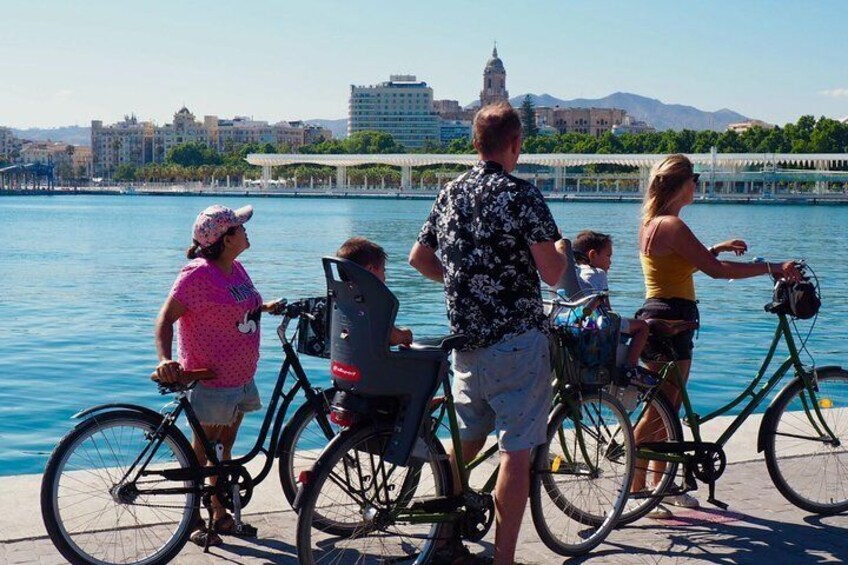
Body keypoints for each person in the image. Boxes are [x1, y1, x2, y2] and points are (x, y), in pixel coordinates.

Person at [409, 102, 567, 565]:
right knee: (515, 452)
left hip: (466, 342)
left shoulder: (450, 192)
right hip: (517, 341)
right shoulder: (522, 195)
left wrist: (462, 281)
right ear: (515, 144)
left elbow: (418, 258)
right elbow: (553, 274)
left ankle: (441, 541)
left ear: (475, 143)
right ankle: (504, 560)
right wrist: (558, 249)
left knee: (467, 439)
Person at [633, 154, 801, 517]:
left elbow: (684, 261)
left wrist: (719, 246)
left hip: (659, 314)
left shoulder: (655, 223)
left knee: (668, 408)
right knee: (661, 408)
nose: (698, 183)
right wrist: (772, 268)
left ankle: (663, 486)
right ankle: (635, 486)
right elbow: (716, 271)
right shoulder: (671, 225)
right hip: (672, 317)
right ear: (681, 184)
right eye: (694, 177)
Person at [153, 204, 280, 546]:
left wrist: (266, 307)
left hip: (239, 379)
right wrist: (165, 360)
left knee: (223, 451)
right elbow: (165, 319)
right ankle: (192, 519)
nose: (246, 230)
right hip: (210, 381)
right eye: (240, 227)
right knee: (201, 454)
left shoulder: (235, 269)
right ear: (226, 239)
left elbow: (237, 307)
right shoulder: (197, 275)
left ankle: (219, 513)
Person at [571, 230, 655, 389]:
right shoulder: (598, 273)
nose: (610, 262)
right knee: (643, 327)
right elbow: (607, 309)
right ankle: (630, 369)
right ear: (593, 255)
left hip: (581, 324)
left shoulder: (574, 272)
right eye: (608, 256)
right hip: (601, 325)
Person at [336, 236, 413, 346]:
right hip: (373, 361)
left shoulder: (341, 298)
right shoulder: (373, 300)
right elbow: (391, 337)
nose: (385, 277)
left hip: (346, 360)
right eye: (383, 270)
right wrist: (405, 334)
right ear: (370, 270)